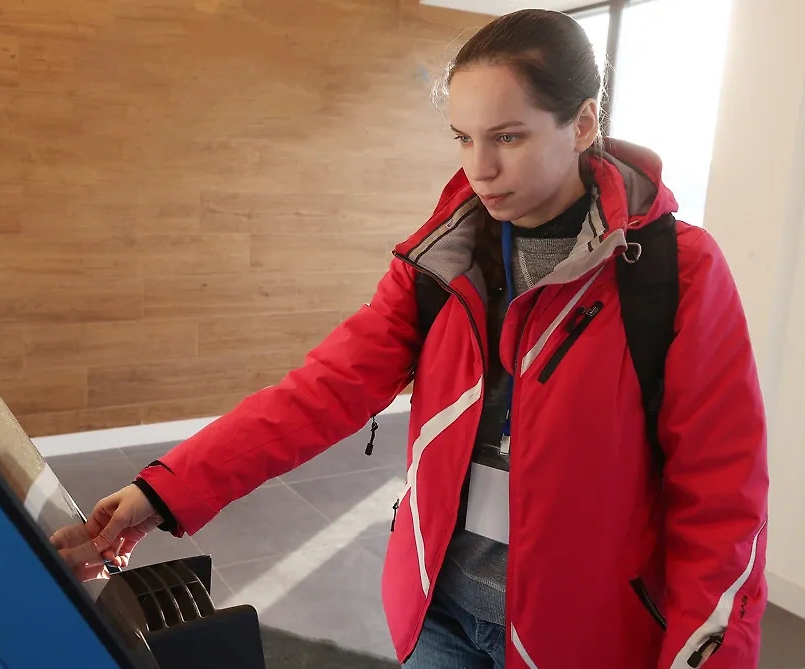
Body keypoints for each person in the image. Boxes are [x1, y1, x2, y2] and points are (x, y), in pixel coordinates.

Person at [61, 9, 768, 668]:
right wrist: (164, 489)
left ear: (582, 123)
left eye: (509, 136)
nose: (479, 167)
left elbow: (722, 500)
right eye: (464, 137)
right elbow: (323, 390)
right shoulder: (444, 260)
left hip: (583, 638)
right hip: (440, 614)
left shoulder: (677, 273)